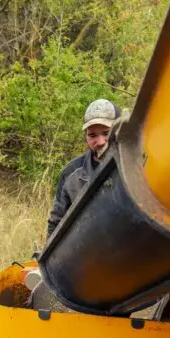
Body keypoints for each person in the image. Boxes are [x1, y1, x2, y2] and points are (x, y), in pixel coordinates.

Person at [46, 98, 120, 238]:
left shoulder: (135, 167)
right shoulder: (71, 173)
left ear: (119, 131)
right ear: (85, 136)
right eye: (92, 135)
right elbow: (56, 223)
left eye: (106, 133)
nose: (100, 142)